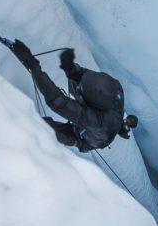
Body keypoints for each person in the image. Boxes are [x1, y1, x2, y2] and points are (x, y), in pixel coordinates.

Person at [9, 39, 137, 152]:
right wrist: (72, 70)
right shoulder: (115, 87)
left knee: (42, 129)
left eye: (79, 88)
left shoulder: (99, 121)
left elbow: (58, 101)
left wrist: (34, 66)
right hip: (106, 121)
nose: (77, 87)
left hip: (84, 138)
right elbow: (85, 76)